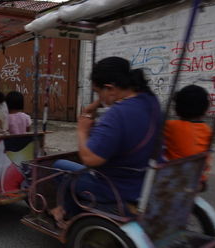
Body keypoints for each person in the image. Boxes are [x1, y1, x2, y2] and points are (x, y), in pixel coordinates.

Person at [48, 57, 161, 226]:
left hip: (115, 188)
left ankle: (69, 215)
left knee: (60, 166)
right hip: (143, 182)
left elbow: (90, 159)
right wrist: (94, 105)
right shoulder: (150, 101)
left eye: (97, 92)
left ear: (110, 88)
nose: (98, 98)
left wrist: (82, 130)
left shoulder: (117, 115)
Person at [164, 84, 212, 189]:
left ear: (177, 108)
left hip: (171, 182)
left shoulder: (171, 126)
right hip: (196, 183)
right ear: (205, 109)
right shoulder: (207, 130)